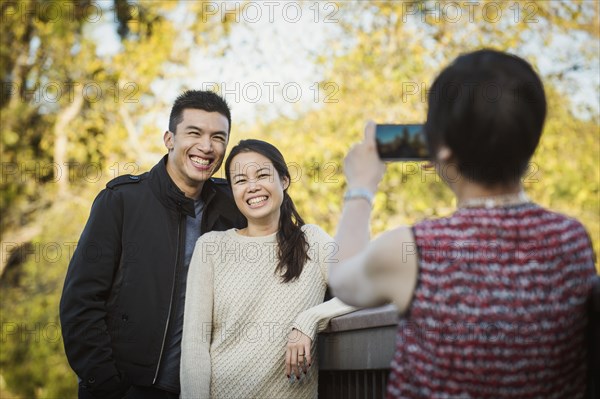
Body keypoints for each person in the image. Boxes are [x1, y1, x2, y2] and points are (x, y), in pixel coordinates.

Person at [329, 49, 597, 398]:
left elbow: (342, 278)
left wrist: (361, 186)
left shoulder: (414, 249)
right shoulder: (572, 240)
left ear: (440, 147)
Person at [60, 90, 246, 399]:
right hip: (126, 388)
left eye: (218, 137)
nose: (206, 146)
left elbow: (289, 253)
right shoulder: (121, 202)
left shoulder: (235, 206)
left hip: (203, 389)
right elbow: (80, 304)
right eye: (194, 133)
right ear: (169, 139)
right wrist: (108, 385)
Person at [180, 139, 355, 399]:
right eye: (240, 180)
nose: (252, 187)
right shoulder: (211, 247)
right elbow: (195, 344)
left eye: (262, 175)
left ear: (283, 180)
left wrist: (308, 321)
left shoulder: (312, 241)